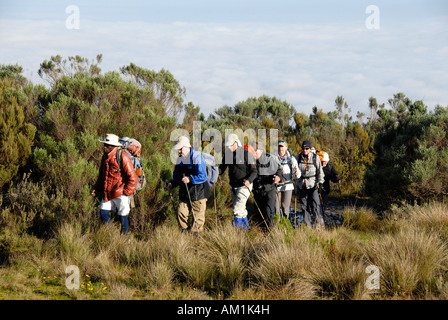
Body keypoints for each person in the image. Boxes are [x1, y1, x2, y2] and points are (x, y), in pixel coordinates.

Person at [91, 133, 138, 235]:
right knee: (103, 213)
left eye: (107, 145)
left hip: (121, 193)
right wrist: (96, 189)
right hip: (107, 193)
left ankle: (125, 239)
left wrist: (125, 193)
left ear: (114, 146)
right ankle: (113, 235)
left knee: (123, 217)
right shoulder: (105, 157)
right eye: (104, 144)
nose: (104, 147)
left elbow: (133, 179)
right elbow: (101, 176)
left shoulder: (123, 157)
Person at [165, 135, 211, 235]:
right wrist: (172, 183)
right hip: (185, 193)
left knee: (198, 219)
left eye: (180, 149)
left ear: (187, 146)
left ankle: (195, 241)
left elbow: (203, 176)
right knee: (181, 212)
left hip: (199, 193)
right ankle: (185, 234)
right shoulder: (180, 159)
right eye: (178, 149)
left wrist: (190, 179)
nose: (179, 152)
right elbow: (177, 176)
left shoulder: (197, 157)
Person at [219, 133, 257, 230]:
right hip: (233, 186)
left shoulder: (246, 154)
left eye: (230, 145)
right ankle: (246, 229)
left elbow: (254, 171)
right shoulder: (228, 154)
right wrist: (215, 174)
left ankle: (237, 233)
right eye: (227, 146)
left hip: (244, 186)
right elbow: (222, 168)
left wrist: (249, 180)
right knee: (241, 210)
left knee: (237, 210)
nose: (228, 147)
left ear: (236, 143)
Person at [253, 142, 283, 231]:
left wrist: (278, 176)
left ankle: (271, 232)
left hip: (270, 189)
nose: (253, 153)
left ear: (261, 150)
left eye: (256, 151)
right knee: (259, 213)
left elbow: (280, 169)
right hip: (257, 191)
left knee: (269, 212)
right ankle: (263, 233)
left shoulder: (270, 159)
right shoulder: (250, 160)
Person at [296, 140, 325, 230]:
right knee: (304, 207)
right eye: (303, 148)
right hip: (302, 185)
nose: (305, 150)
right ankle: (307, 227)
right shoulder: (298, 158)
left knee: (316, 206)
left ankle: (319, 226)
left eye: (307, 148)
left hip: (313, 185)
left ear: (310, 148)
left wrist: (320, 183)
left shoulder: (315, 158)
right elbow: (295, 171)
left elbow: (320, 172)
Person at [275, 140, 300, 220]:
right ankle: (277, 228)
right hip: (276, 187)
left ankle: (285, 226)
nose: (281, 149)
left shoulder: (291, 159)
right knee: (276, 209)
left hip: (288, 186)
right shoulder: (273, 158)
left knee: (285, 208)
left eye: (282, 147)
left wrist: (297, 173)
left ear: (286, 148)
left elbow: (298, 174)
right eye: (279, 147)